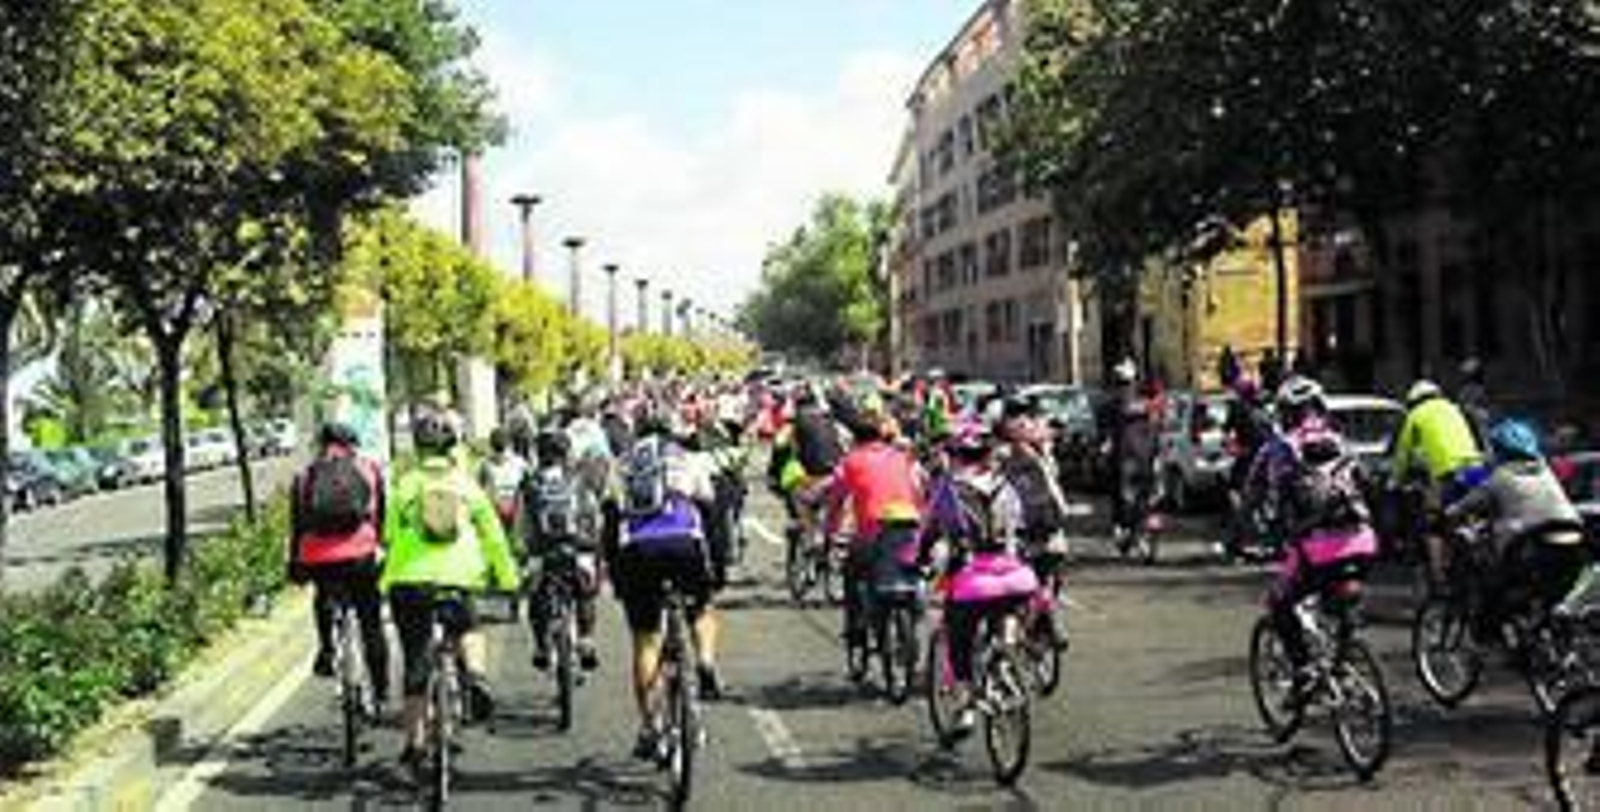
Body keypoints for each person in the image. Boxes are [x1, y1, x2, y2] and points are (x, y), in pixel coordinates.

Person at [383, 411, 521, 771]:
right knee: (469, 628)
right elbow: (494, 536)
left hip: (410, 582)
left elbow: (388, 536)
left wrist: (389, 576)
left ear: (417, 448)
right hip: (458, 578)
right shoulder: (467, 486)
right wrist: (508, 579)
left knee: (416, 658)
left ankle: (413, 744)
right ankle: (475, 675)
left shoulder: (405, 485)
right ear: (452, 447)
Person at [606, 419, 726, 761]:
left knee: (646, 639)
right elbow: (711, 512)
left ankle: (650, 726)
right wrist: (716, 566)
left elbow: (610, 520)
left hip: (638, 550)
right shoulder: (689, 459)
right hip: (685, 541)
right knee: (702, 608)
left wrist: (617, 576)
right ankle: (704, 661)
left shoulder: (624, 463)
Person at [1262, 377, 1378, 698]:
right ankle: (1341, 663)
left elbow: (1270, 499)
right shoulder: (1342, 441)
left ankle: (1303, 671)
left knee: (1279, 603)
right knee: (1339, 599)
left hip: (1317, 547)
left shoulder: (1283, 446)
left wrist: (1247, 537)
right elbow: (1367, 484)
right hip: (1364, 541)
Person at [921, 425, 1040, 733]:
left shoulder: (947, 488)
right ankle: (1007, 657)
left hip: (973, 581)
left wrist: (915, 560)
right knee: (1006, 611)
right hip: (1017, 577)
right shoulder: (1005, 484)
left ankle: (964, 706)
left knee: (958, 638)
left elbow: (927, 533)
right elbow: (1025, 523)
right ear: (988, 455)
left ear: (955, 456)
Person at [1447, 419, 1588, 634]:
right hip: (1574, 542)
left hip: (1535, 547)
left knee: (1494, 588)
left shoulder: (1500, 477)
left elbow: (1464, 507)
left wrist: (1446, 513)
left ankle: (1487, 639)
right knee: (1549, 598)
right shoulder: (1545, 472)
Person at [289, 422, 390, 714]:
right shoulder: (369, 469)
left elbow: (297, 525)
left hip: (320, 558)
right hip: (362, 555)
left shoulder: (306, 475)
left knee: (323, 595)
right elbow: (380, 515)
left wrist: (295, 563)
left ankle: (327, 649)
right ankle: (381, 688)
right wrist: (380, 545)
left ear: (321, 443)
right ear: (353, 443)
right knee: (370, 621)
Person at [824, 403, 924, 653]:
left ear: (854, 439)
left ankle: (856, 628)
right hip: (911, 532)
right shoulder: (902, 458)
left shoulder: (850, 461)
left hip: (873, 535)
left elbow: (836, 501)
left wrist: (830, 531)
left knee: (853, 572)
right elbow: (918, 494)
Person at [1390, 380, 1489, 582]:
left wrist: (1395, 481)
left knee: (1433, 525)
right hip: (1477, 470)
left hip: (1448, 473)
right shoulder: (1455, 409)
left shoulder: (1415, 416)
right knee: (1478, 516)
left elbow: (1402, 454)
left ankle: (1439, 576)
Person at [523, 428, 601, 672]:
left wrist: (522, 551)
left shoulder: (531, 482)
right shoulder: (578, 479)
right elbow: (593, 515)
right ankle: (586, 639)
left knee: (535, 594)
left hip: (542, 552)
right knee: (585, 591)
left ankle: (541, 646)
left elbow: (520, 522)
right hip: (578, 548)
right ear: (566, 452)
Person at [1100, 359, 1160, 544]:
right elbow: (1156, 426)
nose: (1124, 387)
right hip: (1144, 456)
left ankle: (1125, 526)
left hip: (1128, 459)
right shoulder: (1146, 405)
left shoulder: (1111, 405)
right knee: (1144, 493)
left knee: (1123, 493)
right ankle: (1131, 526)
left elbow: (1105, 433)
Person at [479, 427, 531, 533]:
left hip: (495, 506)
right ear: (509, 444)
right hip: (516, 507)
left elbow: (480, 486)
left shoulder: (485, 464)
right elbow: (529, 483)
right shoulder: (520, 463)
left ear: (491, 445)